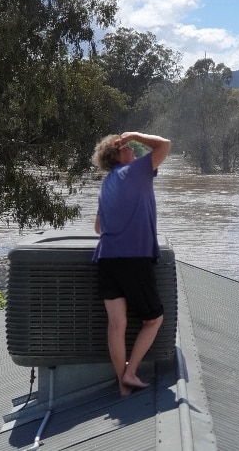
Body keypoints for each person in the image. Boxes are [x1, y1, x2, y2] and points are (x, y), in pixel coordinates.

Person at [91, 131, 172, 397]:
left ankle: (122, 384)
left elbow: (97, 227)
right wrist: (135, 133)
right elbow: (164, 144)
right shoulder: (135, 171)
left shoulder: (108, 183)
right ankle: (130, 372)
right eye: (127, 147)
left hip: (106, 258)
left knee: (117, 324)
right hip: (134, 258)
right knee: (153, 319)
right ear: (117, 156)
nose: (133, 149)